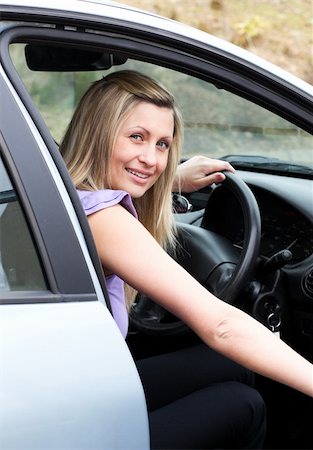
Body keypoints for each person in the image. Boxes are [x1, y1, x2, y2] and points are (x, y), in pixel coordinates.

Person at [60, 70, 313, 449]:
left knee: (233, 367)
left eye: (163, 145)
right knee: (243, 405)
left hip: (77, 385)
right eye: (136, 137)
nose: (151, 159)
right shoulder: (104, 219)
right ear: (97, 134)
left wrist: (172, 180)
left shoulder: (53, 193)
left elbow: (124, 181)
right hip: (76, 420)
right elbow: (222, 326)